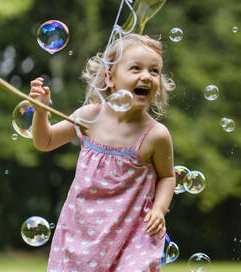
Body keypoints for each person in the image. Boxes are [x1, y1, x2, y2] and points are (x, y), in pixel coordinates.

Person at [29, 33, 176, 272]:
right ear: (110, 77)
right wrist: (41, 111)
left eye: (154, 71)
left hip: (133, 232)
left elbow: (168, 177)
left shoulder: (155, 135)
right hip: (83, 227)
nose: (146, 77)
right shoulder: (89, 117)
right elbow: (45, 141)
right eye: (135, 68)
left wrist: (159, 209)